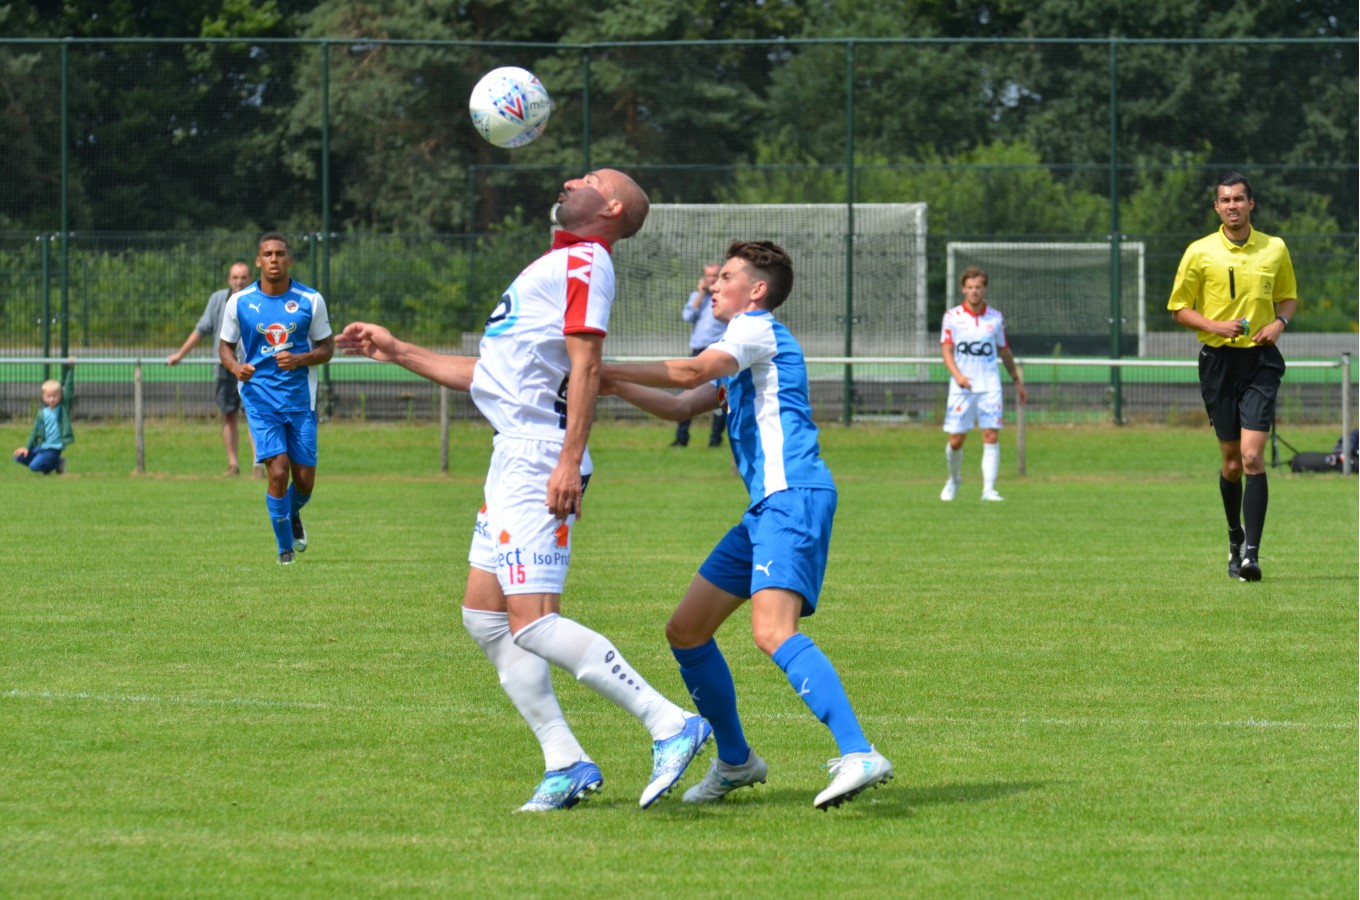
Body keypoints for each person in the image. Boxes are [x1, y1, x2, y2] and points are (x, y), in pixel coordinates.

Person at [336, 168, 711, 812]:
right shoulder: (553, 265)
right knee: (485, 618)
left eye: (589, 178)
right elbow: (487, 374)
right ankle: (566, 762)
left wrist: (568, 459)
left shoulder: (587, 262)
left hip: (540, 456)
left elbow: (587, 365)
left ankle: (670, 722)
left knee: (533, 623)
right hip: (513, 453)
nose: (570, 179)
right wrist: (399, 350)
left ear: (612, 206)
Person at [601, 240, 894, 811]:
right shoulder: (743, 345)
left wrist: (600, 366)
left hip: (794, 498)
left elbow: (689, 368)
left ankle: (859, 752)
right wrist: (608, 386)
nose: (714, 285)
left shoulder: (756, 329)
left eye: (726, 277)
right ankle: (735, 761)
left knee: (772, 631)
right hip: (765, 511)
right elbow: (685, 403)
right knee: (686, 630)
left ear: (756, 290)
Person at [1167, 171, 1298, 582]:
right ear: (1216, 207)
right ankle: (1234, 538)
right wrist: (1214, 325)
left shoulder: (1274, 248)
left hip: (1261, 362)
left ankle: (1252, 557)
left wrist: (1279, 322)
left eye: (1239, 199)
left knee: (1253, 456)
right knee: (1231, 464)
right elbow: (1178, 308)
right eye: (1225, 200)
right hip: (1218, 364)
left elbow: (1288, 297)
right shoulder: (1199, 252)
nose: (1232, 206)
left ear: (1251, 204)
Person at [219, 233, 335, 565]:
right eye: (267, 254)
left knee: (305, 481)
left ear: (289, 260)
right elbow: (225, 347)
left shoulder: (310, 300)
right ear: (258, 261)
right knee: (278, 472)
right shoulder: (239, 302)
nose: (273, 259)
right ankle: (285, 550)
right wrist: (235, 367)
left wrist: (300, 359)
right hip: (259, 399)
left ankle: (291, 512)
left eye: (279, 254)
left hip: (300, 401)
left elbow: (327, 348)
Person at [167, 260, 263, 477]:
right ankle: (233, 464)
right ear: (229, 279)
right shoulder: (218, 299)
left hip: (252, 369)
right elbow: (201, 329)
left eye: (243, 278)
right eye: (235, 278)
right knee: (228, 415)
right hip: (225, 367)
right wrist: (179, 355)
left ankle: (258, 463)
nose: (239, 282)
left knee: (255, 416)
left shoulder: (260, 300)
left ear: (250, 279)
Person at [939, 266, 1027, 502]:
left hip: (990, 386)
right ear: (963, 289)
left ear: (984, 288)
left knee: (990, 435)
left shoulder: (995, 318)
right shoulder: (952, 317)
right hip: (962, 388)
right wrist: (958, 376)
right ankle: (954, 479)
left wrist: (1016, 380)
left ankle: (988, 490)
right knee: (956, 439)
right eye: (970, 287)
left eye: (978, 287)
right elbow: (946, 351)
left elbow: (1004, 351)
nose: (974, 291)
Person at [671, 262, 726, 448]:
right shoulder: (697, 297)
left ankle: (715, 440)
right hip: (697, 352)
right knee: (686, 394)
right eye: (708, 276)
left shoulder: (725, 298)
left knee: (720, 397)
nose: (711, 279)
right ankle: (681, 438)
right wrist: (701, 294)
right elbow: (687, 317)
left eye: (715, 276)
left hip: (717, 352)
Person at [13, 364, 75, 475]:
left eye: (55, 396)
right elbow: (34, 432)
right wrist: (26, 448)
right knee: (18, 457)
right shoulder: (42, 413)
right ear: (43, 397)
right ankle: (47, 465)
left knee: (34, 466)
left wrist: (70, 369)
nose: (52, 399)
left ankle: (57, 463)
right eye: (49, 396)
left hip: (54, 448)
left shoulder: (63, 408)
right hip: (41, 446)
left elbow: (69, 389)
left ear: (60, 396)